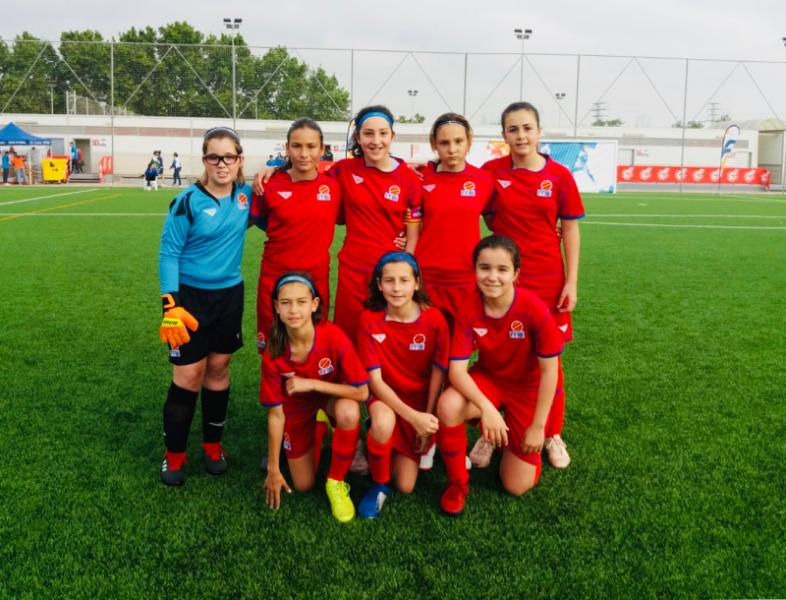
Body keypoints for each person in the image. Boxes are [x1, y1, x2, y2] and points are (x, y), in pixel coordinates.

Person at [479, 101, 585, 470]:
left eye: (527, 128)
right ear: (504, 135)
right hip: (501, 283)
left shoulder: (559, 176)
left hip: (547, 280)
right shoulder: (491, 172)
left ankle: (552, 432)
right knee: (496, 354)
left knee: (549, 360)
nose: (521, 135)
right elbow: (477, 208)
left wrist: (571, 280)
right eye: (513, 129)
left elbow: (570, 229)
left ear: (539, 131)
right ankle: (491, 431)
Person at [435, 235, 563, 516]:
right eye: (484, 268)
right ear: (474, 270)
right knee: (448, 405)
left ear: (516, 274)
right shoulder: (469, 307)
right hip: (490, 380)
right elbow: (457, 371)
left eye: (502, 269)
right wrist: (487, 408)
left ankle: (515, 436)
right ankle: (458, 483)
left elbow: (550, 371)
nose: (492, 277)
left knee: (516, 486)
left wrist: (538, 426)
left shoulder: (533, 308)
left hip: (527, 388)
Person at [157, 126, 252, 486]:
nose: (222, 163)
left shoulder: (247, 196)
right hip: (189, 299)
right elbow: (168, 253)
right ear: (205, 159)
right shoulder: (187, 201)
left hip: (229, 296)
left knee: (218, 369)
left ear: (239, 159)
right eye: (214, 156)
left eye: (229, 156)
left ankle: (213, 447)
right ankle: (174, 457)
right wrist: (170, 306)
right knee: (188, 375)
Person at [261, 272, 369, 523]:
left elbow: (362, 392)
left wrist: (311, 383)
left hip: (328, 397)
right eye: (286, 303)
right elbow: (275, 415)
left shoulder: (333, 336)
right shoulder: (274, 351)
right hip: (295, 409)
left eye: (301, 302)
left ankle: (336, 481)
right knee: (304, 484)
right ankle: (319, 427)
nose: (293, 310)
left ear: (314, 304)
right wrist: (273, 468)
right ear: (276, 307)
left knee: (349, 411)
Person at [355, 251, 448, 518]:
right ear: (379, 284)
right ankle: (378, 484)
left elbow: (438, 374)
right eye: (389, 281)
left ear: (417, 283)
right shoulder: (369, 320)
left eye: (404, 280)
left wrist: (426, 419)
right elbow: (375, 382)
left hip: (419, 403)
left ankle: (379, 444)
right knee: (383, 422)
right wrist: (413, 418)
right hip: (385, 398)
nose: (396, 288)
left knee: (406, 485)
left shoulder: (434, 320)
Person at [250, 118, 340, 354]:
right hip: (275, 277)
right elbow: (247, 221)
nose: (304, 154)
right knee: (274, 348)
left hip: (316, 279)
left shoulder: (334, 186)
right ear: (287, 148)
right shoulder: (268, 184)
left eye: (311, 146)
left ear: (322, 149)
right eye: (297, 146)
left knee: (314, 347)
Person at [415, 113, 496, 332]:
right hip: (426, 277)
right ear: (434, 144)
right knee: (426, 343)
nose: (452, 149)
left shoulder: (484, 180)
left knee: (462, 344)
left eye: (458, 141)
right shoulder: (421, 177)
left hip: (466, 278)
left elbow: (497, 222)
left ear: (469, 141)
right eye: (444, 143)